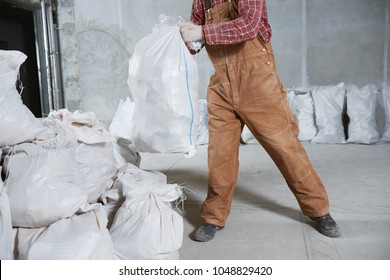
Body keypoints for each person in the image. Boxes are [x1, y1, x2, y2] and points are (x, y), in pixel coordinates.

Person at [179, 0, 341, 242]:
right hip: (222, 87)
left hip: (259, 85)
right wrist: (182, 36)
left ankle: (319, 211)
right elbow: (196, 43)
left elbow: (249, 25)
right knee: (219, 156)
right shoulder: (201, 1)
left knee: (285, 148)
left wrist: (201, 31)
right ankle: (214, 217)